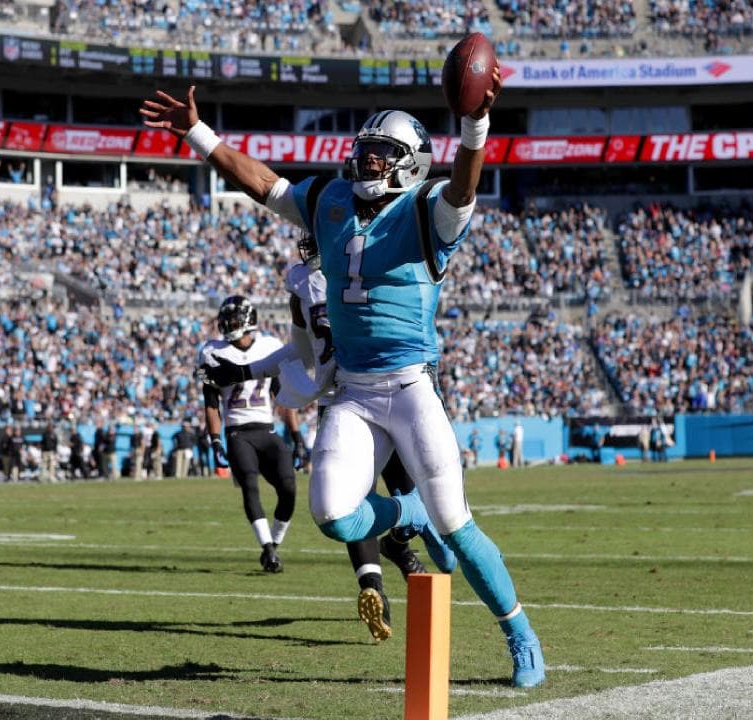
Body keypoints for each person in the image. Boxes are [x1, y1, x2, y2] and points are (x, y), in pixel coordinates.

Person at [140, 68, 545, 686]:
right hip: (353, 391)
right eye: (365, 149)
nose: (367, 161)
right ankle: (404, 515)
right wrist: (196, 132)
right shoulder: (330, 201)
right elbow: (263, 184)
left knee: (458, 527)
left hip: (410, 385)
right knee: (331, 514)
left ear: (409, 164)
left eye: (382, 154)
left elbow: (463, 186)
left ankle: (520, 636)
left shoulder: (426, 210)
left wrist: (474, 124)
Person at [204, 234, 427, 641]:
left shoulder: (368, 266)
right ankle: (373, 586)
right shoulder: (303, 286)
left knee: (415, 495)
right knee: (350, 499)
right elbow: (302, 351)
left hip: (392, 390)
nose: (308, 247)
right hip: (344, 398)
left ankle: (397, 543)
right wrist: (240, 374)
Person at [201, 295, 304, 573]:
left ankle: (275, 543)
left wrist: (296, 437)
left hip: (266, 429)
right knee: (249, 483)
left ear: (249, 321)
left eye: (233, 320)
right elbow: (211, 403)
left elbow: (284, 396)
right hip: (237, 432)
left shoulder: (270, 346)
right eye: (225, 319)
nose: (226, 324)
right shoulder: (211, 351)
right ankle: (268, 550)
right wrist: (215, 439)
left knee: (289, 488)